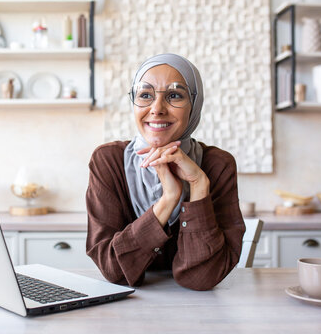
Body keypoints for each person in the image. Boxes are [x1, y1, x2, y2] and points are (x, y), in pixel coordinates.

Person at [85, 53, 246, 290]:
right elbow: (113, 271)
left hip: (202, 315)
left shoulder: (217, 166)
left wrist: (199, 185)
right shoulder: (108, 161)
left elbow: (202, 277)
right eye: (146, 95)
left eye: (174, 95)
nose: (157, 109)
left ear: (195, 104)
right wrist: (168, 199)